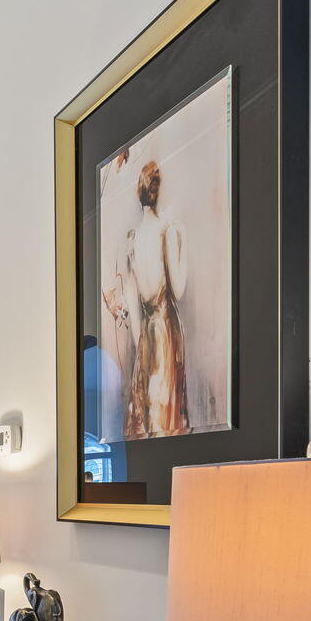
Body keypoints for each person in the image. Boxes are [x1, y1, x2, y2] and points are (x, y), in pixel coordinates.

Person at [111, 159, 191, 439]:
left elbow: (132, 302)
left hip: (145, 333)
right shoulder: (167, 231)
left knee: (147, 412)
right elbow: (179, 290)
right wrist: (184, 242)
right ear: (159, 192)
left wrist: (140, 343)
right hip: (166, 331)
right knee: (166, 414)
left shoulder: (132, 240)